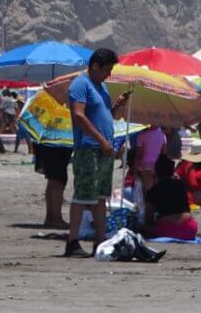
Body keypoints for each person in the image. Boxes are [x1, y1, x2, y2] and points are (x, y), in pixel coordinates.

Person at [65, 48, 130, 258]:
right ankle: (72, 241)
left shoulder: (101, 87)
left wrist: (118, 106)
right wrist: (101, 140)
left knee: (101, 197)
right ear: (95, 66)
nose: (109, 75)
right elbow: (79, 116)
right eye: (107, 70)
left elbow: (105, 117)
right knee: (84, 195)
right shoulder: (80, 84)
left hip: (104, 149)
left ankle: (100, 241)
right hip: (88, 148)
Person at [145, 155, 199, 240]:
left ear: (156, 172)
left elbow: (148, 217)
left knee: (146, 228)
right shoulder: (181, 185)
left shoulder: (153, 191)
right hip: (189, 228)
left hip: (168, 229)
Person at [135, 125, 167, 193]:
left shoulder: (142, 135)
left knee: (149, 191)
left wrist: (135, 169)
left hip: (145, 165)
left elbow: (139, 155)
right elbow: (164, 153)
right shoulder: (162, 135)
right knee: (157, 190)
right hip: (158, 165)